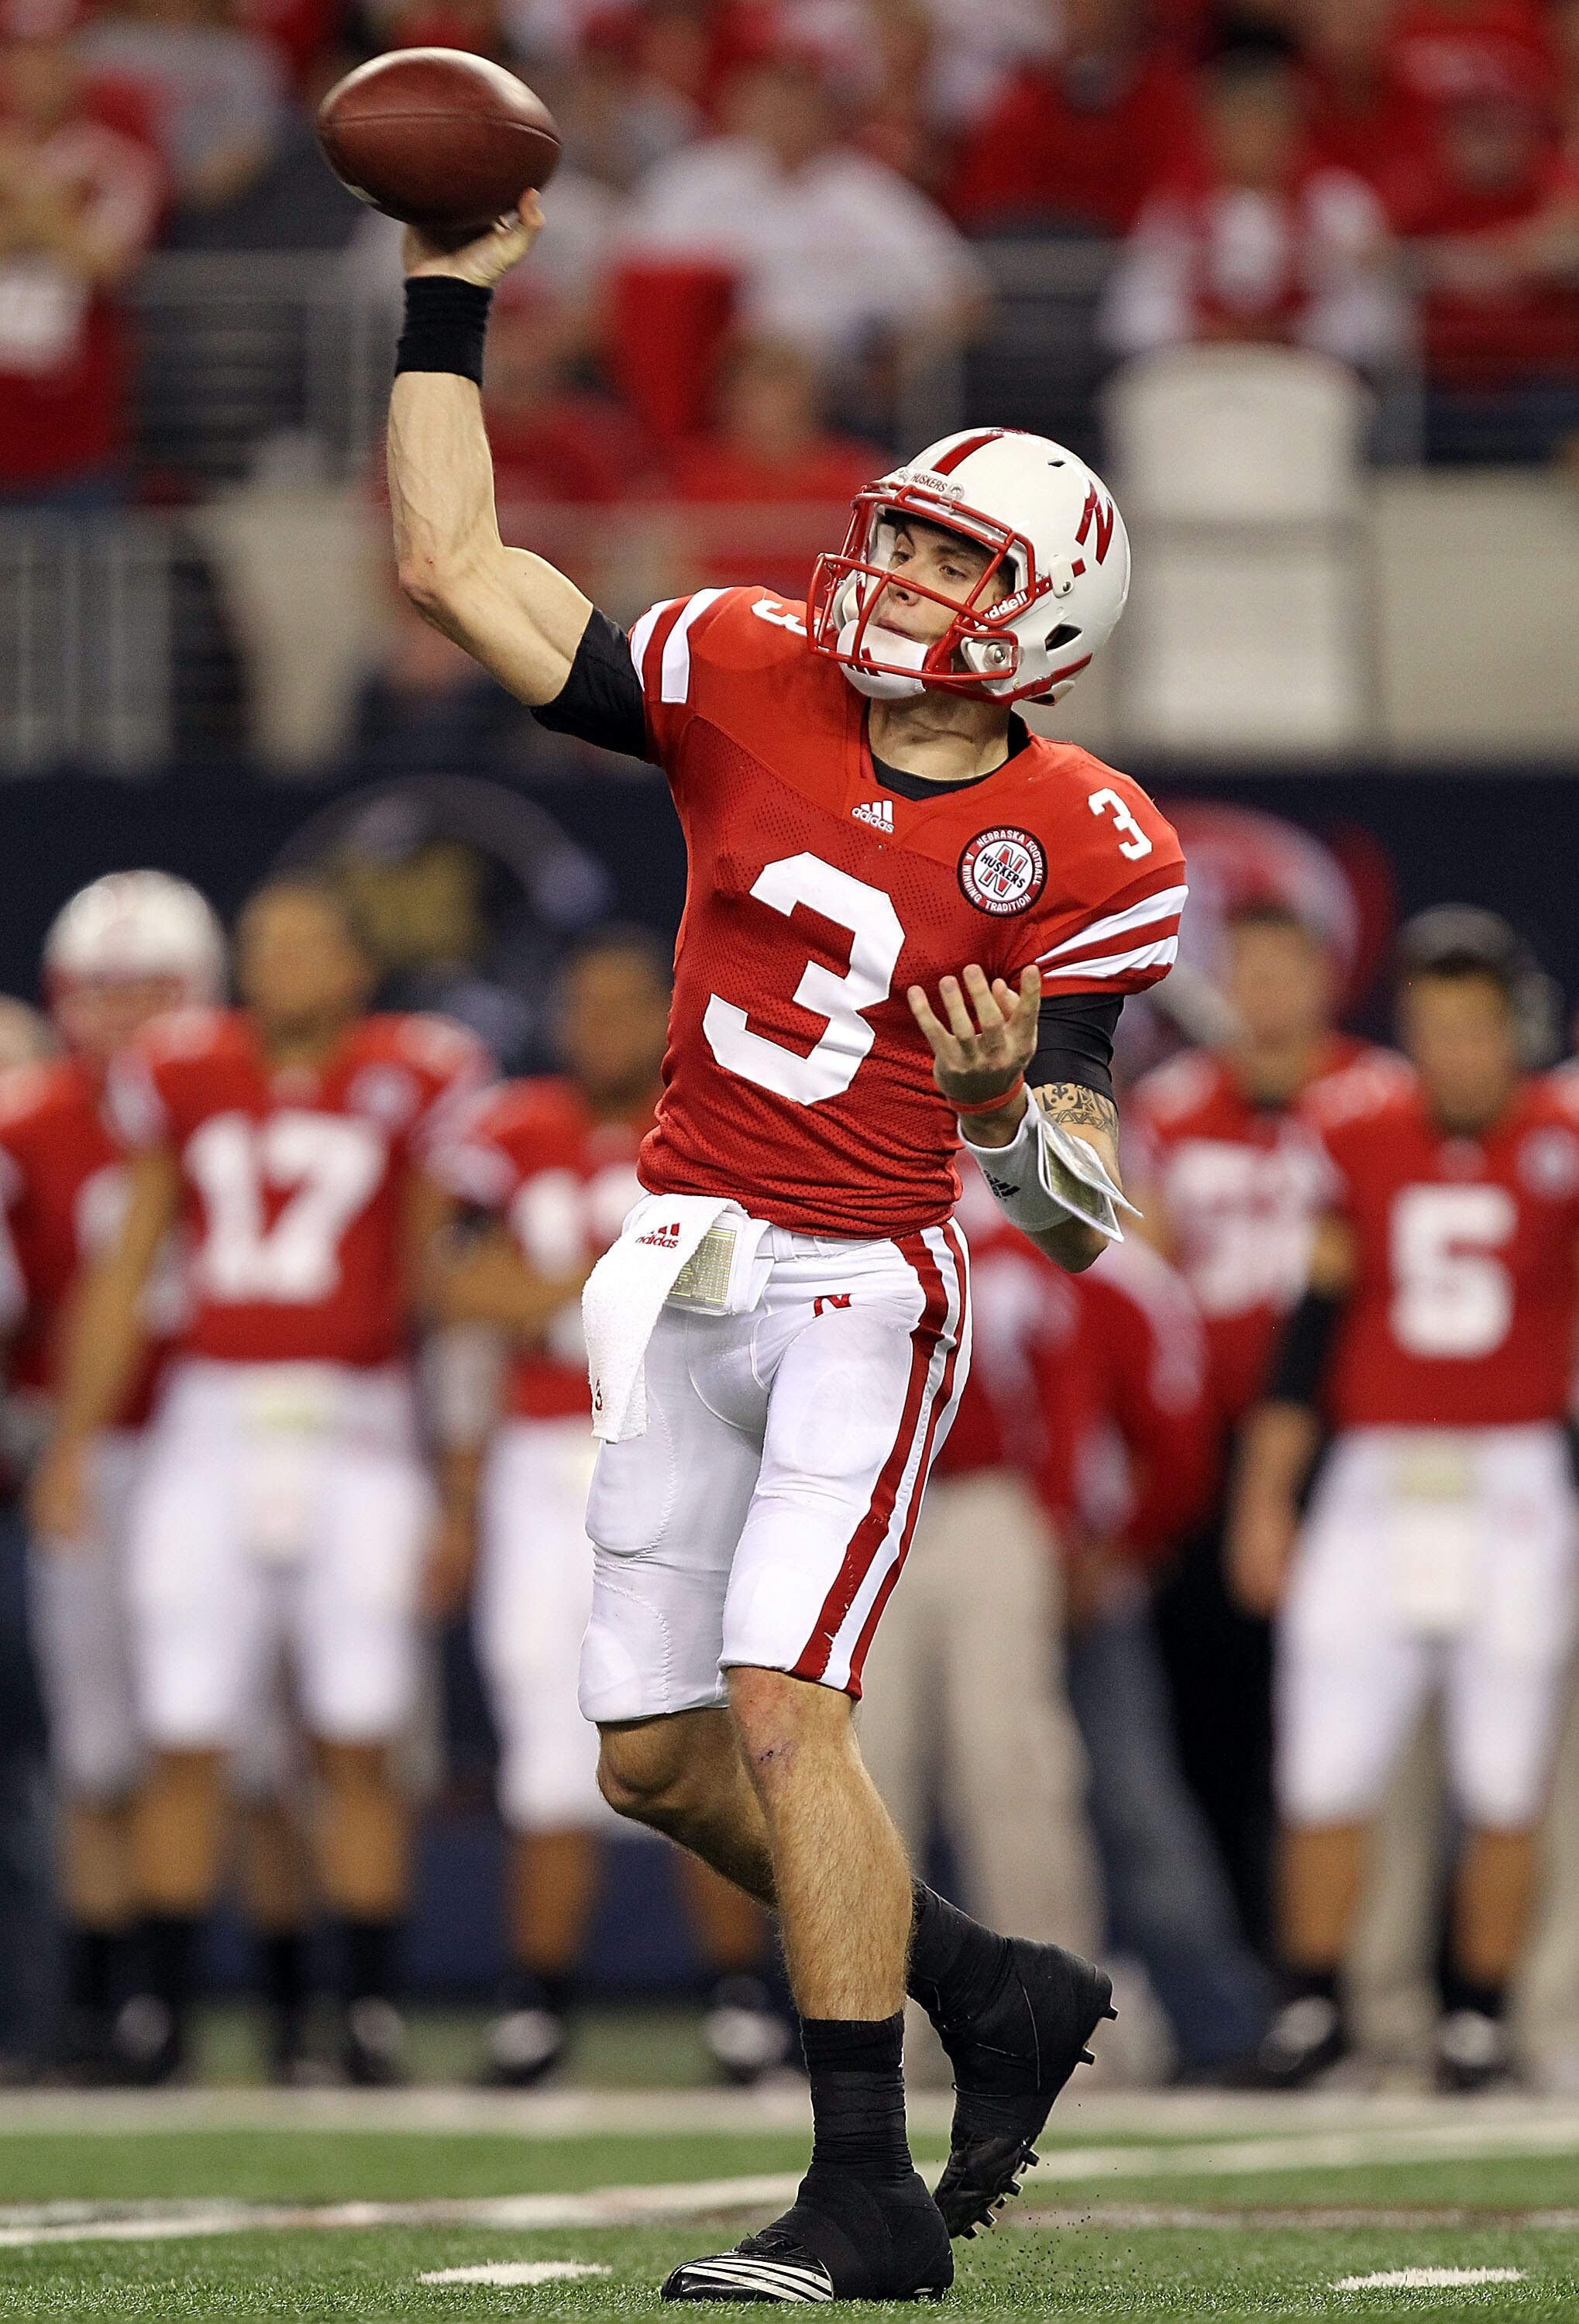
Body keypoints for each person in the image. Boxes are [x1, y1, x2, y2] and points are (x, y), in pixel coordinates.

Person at [384, 166, 1185, 2299]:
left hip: (861, 1287)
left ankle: (861, 2198)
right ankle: (989, 1991)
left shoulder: (1085, 838)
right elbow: (452, 563)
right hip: (679, 1262)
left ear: (1040, 614)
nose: (895, 569)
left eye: (948, 555)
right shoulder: (743, 665)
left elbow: (1087, 1223)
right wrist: (444, 298)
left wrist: (1007, 1107)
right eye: (900, 530)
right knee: (649, 1762)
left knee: (773, 1710)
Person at [32, 878, 489, 2086]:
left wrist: (454, 1483)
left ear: (355, 969)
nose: (276, 963)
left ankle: (368, 2014)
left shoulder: (416, 1072)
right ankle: (159, 2014)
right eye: (261, 943)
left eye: (303, 944)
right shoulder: (183, 1071)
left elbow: (435, 1290)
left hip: (358, 1422)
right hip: (211, 1417)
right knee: (186, 1726)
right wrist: (75, 1443)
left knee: (357, 1729)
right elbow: (127, 1274)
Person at [428, 926, 790, 2087]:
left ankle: (735, 2001)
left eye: (624, 1002)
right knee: (542, 1737)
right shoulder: (508, 1128)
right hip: (542, 1455)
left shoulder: (720, 1117)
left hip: (681, 1444)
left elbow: (747, 1290)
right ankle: (535, 2005)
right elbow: (442, 1277)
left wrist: (561, 1295)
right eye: (580, 1003)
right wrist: (606, 1289)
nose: (599, 1025)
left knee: (698, 1720)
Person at [1229, 909, 1579, 2091]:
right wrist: (1265, 1500)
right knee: (1326, 1752)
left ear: (1514, 1033)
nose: (1455, 1052)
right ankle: (1312, 2006)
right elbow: (1307, 1331)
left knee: (1502, 1760)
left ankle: (1475, 2015)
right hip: (1377, 1472)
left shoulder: (1560, 1138)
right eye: (1433, 1027)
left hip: (1516, 1473)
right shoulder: (1355, 1135)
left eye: (1474, 1028)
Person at [1127, 897, 1409, 1949]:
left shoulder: (1379, 1097)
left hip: (1346, 1440)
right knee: (1214, 1716)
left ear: (1325, 978)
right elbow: (1143, 1283)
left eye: (1283, 970)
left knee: (1351, 1711)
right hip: (1206, 1449)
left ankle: (1357, 1959)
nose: (1264, 993)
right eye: (1245, 971)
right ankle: (1246, 1967)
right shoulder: (1169, 1108)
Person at [0, 874, 223, 2078]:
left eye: (154, 989)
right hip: (88, 1458)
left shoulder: (228, 1101)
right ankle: (95, 2004)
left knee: (206, 1729)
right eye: (106, 990)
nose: (129, 1014)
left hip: (210, 1444)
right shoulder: (28, 1122)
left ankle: (169, 1999)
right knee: (94, 1746)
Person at [1103, 40, 1407, 371]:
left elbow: (1379, 324)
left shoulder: (1339, 205)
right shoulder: (1173, 208)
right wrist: (1203, 332)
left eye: (1265, 122)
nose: (1253, 139)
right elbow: (1129, 319)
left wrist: (1295, 335)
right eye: (1238, 124)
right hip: (1198, 373)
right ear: (1208, 133)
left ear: (1295, 129)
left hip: (1308, 376)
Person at [0, 0, 162, 509]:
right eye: (23, 55)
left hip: (78, 432)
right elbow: (75, 245)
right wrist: (54, 210)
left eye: (53, 54)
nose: (38, 72)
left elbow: (104, 263)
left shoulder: (117, 157)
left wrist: (21, 190)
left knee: (82, 581)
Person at [946, 0, 1198, 238]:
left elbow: (1182, 189)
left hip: (1127, 257)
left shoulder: (1161, 97)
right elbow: (983, 199)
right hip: (1031, 253)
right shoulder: (1028, 96)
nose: (1089, 12)